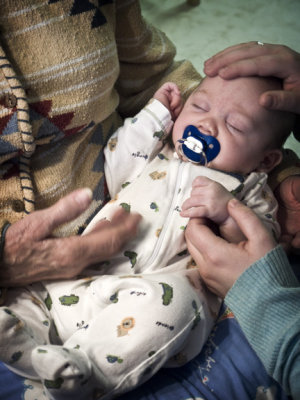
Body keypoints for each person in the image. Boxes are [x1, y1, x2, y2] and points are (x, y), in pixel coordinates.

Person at [0, 72, 295, 399]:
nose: (207, 125)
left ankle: (86, 372)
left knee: (176, 306)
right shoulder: (158, 154)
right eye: (199, 106)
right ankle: (25, 347)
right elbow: (115, 162)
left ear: (266, 160)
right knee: (31, 292)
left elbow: (258, 246)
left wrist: (227, 213)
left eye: (235, 125)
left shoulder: (250, 191)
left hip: (152, 297)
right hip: (83, 276)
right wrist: (153, 116)